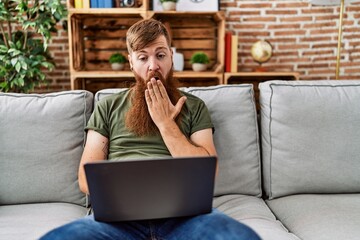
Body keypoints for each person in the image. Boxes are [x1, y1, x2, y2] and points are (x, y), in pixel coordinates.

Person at [40, 19, 260, 240]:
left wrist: (166, 124)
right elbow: (85, 180)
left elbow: (208, 171)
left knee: (239, 236)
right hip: (119, 219)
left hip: (185, 217)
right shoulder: (108, 107)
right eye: (143, 57)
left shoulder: (193, 106)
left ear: (171, 57)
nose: (153, 65)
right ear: (131, 63)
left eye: (160, 55)